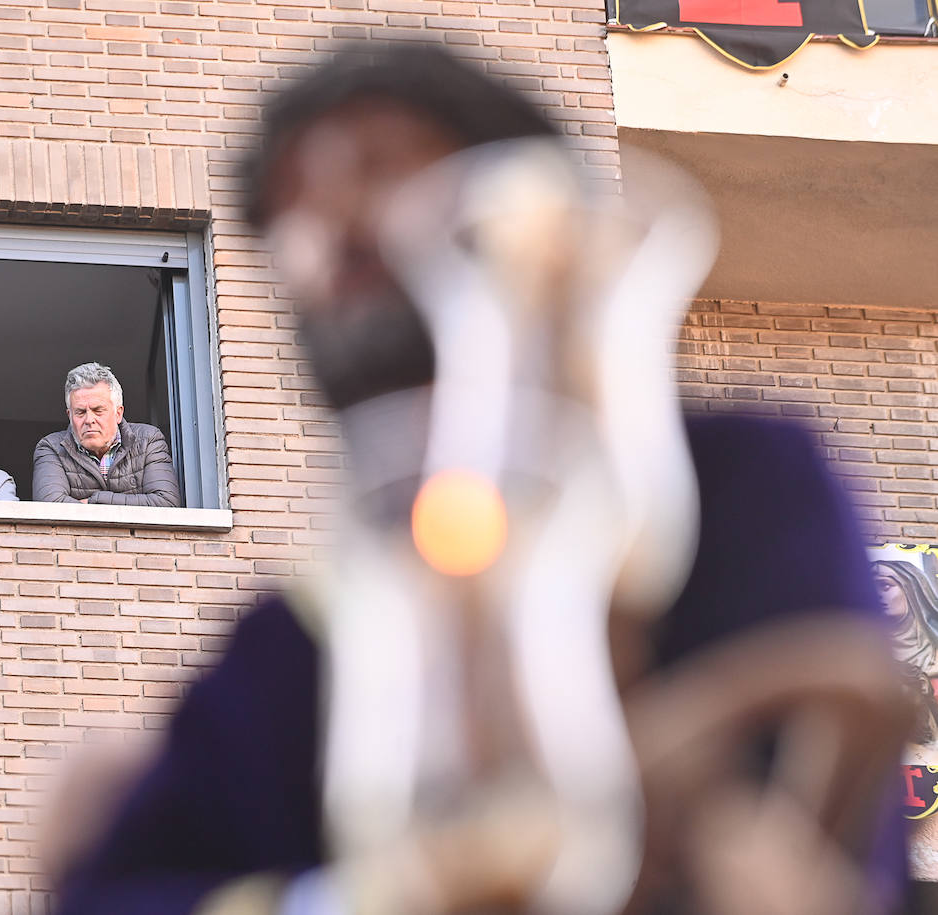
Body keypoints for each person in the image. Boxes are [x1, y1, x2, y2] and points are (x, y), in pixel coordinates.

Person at [53, 44, 907, 915]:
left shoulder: (741, 476)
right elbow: (111, 891)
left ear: (534, 199)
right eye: (291, 207)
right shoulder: (293, 638)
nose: (329, 218)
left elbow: (836, 799)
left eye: (377, 164)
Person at [32, 362, 181, 507]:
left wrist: (95, 500)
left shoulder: (148, 440)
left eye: (98, 410)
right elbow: (49, 507)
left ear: (118, 413)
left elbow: (166, 502)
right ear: (69, 415)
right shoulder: (51, 447)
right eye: (80, 412)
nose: (89, 420)